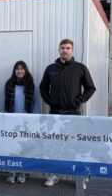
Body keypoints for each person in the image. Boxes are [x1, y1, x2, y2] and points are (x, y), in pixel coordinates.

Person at [39, 38, 96, 190]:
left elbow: (91, 88)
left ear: (72, 50)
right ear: (59, 50)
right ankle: (53, 175)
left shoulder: (80, 68)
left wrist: (79, 100)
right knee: (54, 146)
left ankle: (80, 178)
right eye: (62, 48)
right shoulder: (51, 68)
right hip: (55, 114)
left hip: (74, 114)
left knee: (76, 146)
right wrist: (50, 100)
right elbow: (43, 88)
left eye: (68, 48)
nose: (65, 50)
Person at [3, 60, 40, 184]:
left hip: (26, 123)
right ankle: (11, 173)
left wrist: (34, 122)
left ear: (26, 70)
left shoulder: (32, 86)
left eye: (22, 68)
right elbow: (4, 104)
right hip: (12, 122)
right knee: (11, 148)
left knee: (23, 148)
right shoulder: (8, 84)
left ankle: (21, 173)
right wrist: (5, 120)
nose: (20, 71)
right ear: (14, 71)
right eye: (17, 69)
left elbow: (36, 106)